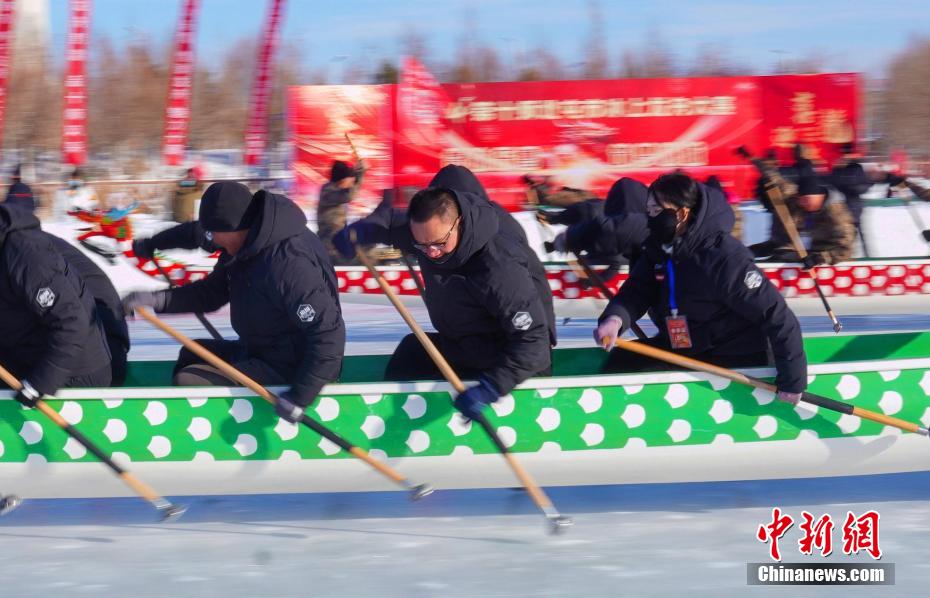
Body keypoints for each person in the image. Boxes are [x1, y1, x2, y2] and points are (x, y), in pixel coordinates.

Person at [334, 164, 555, 421]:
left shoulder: (498, 266)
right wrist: (359, 232)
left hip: (511, 357)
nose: (431, 253)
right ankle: (389, 427)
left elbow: (534, 343)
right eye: (422, 245)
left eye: (438, 244)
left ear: (458, 220)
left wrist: (491, 387)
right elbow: (392, 222)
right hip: (468, 342)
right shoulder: (433, 231)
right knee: (412, 352)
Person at [122, 182, 345, 423]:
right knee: (192, 354)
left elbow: (329, 335)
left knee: (191, 379)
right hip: (263, 350)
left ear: (230, 227)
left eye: (213, 235)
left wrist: (300, 396)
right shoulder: (243, 238)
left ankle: (206, 440)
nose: (211, 242)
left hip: (294, 366)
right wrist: (157, 297)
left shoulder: (288, 265)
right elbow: (211, 288)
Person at [593, 172, 807, 404]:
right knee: (623, 361)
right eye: (649, 210)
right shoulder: (658, 247)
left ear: (682, 213)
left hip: (732, 354)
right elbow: (637, 289)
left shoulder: (724, 258)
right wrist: (615, 318)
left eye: (657, 211)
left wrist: (792, 381)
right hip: (685, 346)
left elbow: (776, 315)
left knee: (644, 377)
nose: (650, 218)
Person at [0, 202, 113, 408]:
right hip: (26, 353)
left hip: (73, 372)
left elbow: (71, 322)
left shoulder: (27, 256)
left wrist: (40, 383)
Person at [749, 162, 856, 267]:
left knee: (787, 257)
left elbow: (846, 249)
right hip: (800, 250)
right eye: (801, 200)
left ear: (819, 196)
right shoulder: (797, 198)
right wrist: (756, 161)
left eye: (806, 200)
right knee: (778, 254)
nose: (803, 204)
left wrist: (821, 258)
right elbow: (778, 181)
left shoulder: (837, 214)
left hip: (826, 259)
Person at [545, 177, 650, 280]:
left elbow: (615, 263)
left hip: (640, 241)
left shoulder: (599, 238)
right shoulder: (593, 220)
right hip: (632, 225)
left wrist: (592, 282)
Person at [317, 159, 366, 265]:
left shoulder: (333, 189)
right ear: (341, 180)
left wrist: (357, 172)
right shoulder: (328, 191)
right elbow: (348, 196)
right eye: (348, 179)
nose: (350, 183)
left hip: (337, 240)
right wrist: (359, 176)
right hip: (329, 243)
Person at [830, 143, 873, 255]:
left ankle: (866, 257)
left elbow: (865, 185)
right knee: (841, 235)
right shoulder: (836, 169)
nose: (845, 156)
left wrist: (851, 188)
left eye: (848, 153)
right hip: (838, 206)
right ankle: (845, 256)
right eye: (844, 153)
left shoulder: (857, 168)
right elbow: (832, 184)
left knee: (858, 234)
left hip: (854, 205)